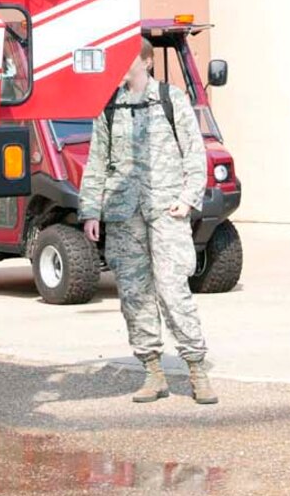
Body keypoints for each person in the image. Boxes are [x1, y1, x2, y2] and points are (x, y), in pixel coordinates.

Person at [79, 47, 216, 405]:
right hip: (124, 215)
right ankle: (153, 372)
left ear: (147, 61)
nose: (119, 66)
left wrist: (188, 198)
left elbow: (194, 152)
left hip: (166, 212)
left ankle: (196, 368)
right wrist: (90, 211)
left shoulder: (171, 100)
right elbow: (96, 162)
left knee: (173, 291)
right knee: (134, 295)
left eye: (127, 57)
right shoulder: (108, 107)